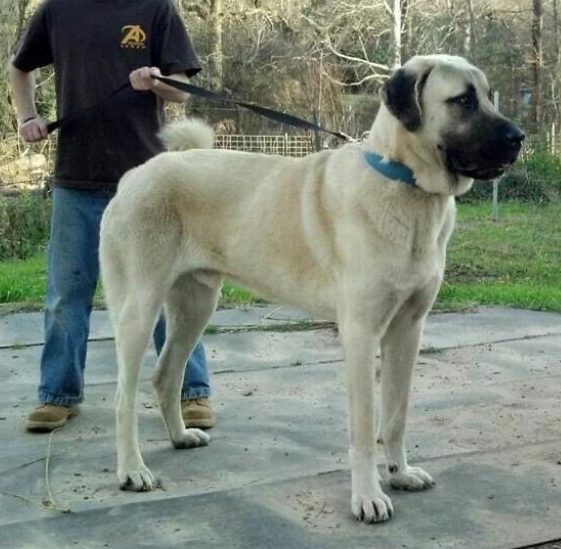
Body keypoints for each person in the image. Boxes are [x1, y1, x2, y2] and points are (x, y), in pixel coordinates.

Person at [9, 0, 215, 432]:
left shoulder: (156, 8)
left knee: (170, 290)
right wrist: (26, 116)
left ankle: (190, 391)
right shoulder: (57, 11)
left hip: (148, 182)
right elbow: (20, 68)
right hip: (76, 177)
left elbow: (181, 87)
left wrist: (157, 80)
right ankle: (58, 395)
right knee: (66, 293)